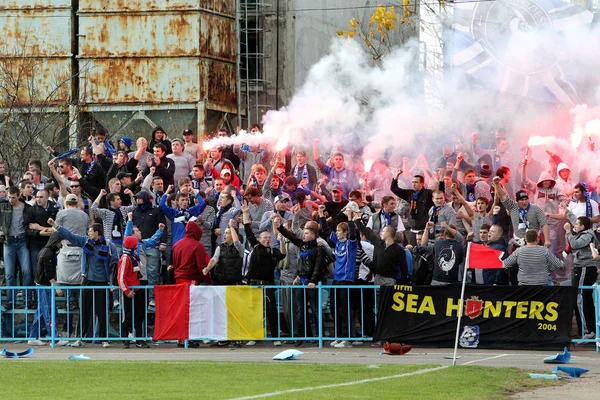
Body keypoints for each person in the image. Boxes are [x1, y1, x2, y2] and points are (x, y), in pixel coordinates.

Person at [49, 219, 119, 348]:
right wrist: (56, 226)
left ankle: (105, 339)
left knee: (102, 312)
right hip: (87, 281)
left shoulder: (109, 245)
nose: (88, 233)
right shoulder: (86, 241)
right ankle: (81, 338)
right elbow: (71, 236)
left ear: (97, 233)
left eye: (90, 231)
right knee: (84, 311)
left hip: (103, 282)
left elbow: (115, 264)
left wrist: (113, 283)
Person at [275, 220, 327, 346]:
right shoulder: (302, 245)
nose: (304, 235)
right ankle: (301, 336)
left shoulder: (319, 248)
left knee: (315, 310)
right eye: (304, 233)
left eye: (307, 233)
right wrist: (279, 227)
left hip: (312, 282)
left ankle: (320, 336)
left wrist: (313, 281)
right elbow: (291, 237)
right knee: (300, 309)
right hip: (301, 280)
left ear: (314, 235)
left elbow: (318, 266)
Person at [242, 204, 286, 346]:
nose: (267, 239)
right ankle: (254, 337)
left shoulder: (273, 251)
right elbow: (248, 230)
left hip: (268, 285)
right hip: (254, 284)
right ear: (260, 239)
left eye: (268, 237)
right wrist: (245, 213)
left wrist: (281, 240)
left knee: (271, 312)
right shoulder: (255, 246)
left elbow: (283, 254)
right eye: (264, 237)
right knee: (253, 312)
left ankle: (275, 337)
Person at [319, 206, 358, 348]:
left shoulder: (350, 244)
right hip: (336, 279)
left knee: (345, 310)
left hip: (347, 280)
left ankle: (348, 338)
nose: (336, 233)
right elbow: (325, 231)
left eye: (339, 231)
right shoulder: (338, 243)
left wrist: (349, 219)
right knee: (335, 308)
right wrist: (321, 215)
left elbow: (354, 235)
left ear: (345, 232)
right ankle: (338, 335)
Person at [27, 232, 69, 346]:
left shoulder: (44, 251)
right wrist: (57, 288)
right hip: (44, 286)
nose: (61, 244)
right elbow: (49, 274)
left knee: (41, 312)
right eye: (60, 242)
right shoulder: (49, 254)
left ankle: (33, 336)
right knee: (50, 311)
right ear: (57, 241)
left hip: (41, 285)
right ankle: (54, 338)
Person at [563, 211, 598, 339]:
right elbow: (574, 219)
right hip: (578, 268)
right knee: (581, 299)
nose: (574, 226)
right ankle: (585, 330)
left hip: (585, 268)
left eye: (577, 225)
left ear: (583, 226)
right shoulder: (583, 231)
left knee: (581, 299)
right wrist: (566, 210)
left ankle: (588, 330)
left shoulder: (587, 235)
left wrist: (568, 232)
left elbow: (575, 245)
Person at [0, 186, 32, 310]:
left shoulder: (27, 208)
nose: (11, 200)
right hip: (9, 241)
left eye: (13, 197)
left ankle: (27, 299)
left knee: (27, 271)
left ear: (19, 195)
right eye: (9, 197)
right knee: (8, 274)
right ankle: (10, 301)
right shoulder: (3, 206)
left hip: (22, 240)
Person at [118, 235, 150, 349]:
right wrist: (127, 291)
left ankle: (139, 339)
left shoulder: (133, 257)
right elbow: (121, 277)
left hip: (136, 289)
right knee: (127, 316)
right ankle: (125, 339)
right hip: (130, 291)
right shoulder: (126, 258)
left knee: (139, 315)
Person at [422, 221, 465, 285]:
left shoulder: (459, 244)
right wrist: (426, 229)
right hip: (437, 280)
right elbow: (424, 244)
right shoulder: (438, 242)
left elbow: (460, 237)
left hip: (452, 282)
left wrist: (447, 227)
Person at [203, 218, 244, 285]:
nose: (224, 235)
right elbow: (214, 259)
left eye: (227, 233)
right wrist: (208, 268)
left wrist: (231, 226)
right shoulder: (220, 247)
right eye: (224, 233)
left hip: (233, 282)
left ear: (233, 235)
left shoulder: (240, 248)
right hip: (219, 281)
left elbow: (236, 242)